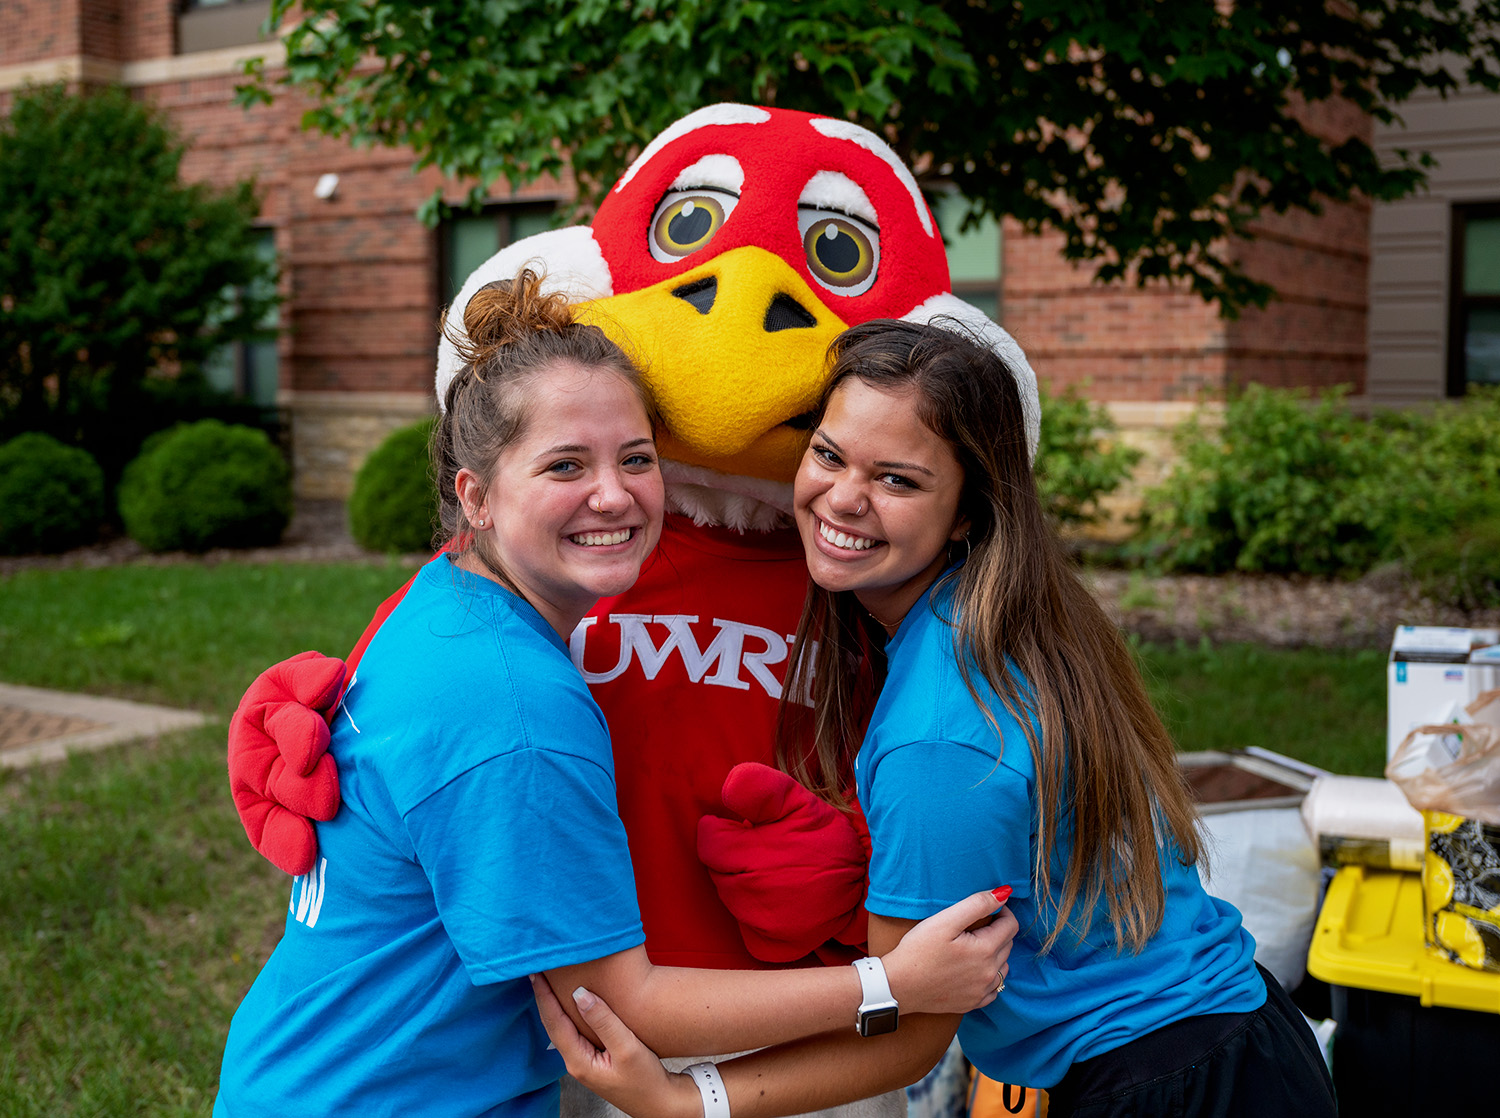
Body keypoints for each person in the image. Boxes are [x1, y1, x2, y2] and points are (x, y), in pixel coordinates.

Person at [213, 277, 1018, 1118]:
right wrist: (892, 982)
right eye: (566, 465)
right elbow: (622, 1005)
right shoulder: (518, 713)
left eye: (637, 459)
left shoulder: (447, 609)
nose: (614, 493)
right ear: (475, 497)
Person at [535, 319, 1338, 1118]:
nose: (843, 498)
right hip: (1237, 1032)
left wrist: (686, 1098)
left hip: (1169, 1082)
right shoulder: (1004, 614)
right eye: (828, 454)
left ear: (966, 514)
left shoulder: (938, 735)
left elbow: (907, 1034)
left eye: (898, 480)